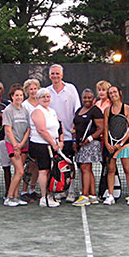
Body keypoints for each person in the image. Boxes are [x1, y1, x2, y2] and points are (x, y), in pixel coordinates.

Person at [47, 64, 81, 203]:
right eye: (53, 74)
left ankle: (71, 191)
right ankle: (59, 190)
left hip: (69, 136)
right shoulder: (47, 91)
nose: (55, 76)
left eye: (57, 73)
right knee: (55, 165)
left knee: (70, 164)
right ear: (49, 76)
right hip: (53, 138)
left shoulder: (71, 89)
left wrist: (74, 131)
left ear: (62, 75)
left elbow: (77, 110)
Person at [29, 88, 63, 208]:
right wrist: (53, 144)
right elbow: (41, 130)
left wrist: (60, 141)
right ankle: (44, 198)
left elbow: (59, 127)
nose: (46, 99)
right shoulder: (37, 111)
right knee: (44, 170)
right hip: (40, 146)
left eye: (48, 96)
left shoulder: (52, 111)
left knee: (50, 170)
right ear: (38, 99)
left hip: (52, 145)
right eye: (43, 97)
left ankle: (49, 195)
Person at [103, 86, 129, 206]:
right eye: (110, 93)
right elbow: (106, 128)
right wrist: (107, 143)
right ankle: (110, 195)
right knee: (111, 170)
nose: (113, 95)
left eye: (114, 92)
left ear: (119, 93)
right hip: (111, 145)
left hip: (125, 145)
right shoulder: (107, 110)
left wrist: (121, 144)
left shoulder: (127, 108)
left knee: (128, 170)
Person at [72, 89, 104, 206]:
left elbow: (101, 128)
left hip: (91, 144)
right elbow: (74, 127)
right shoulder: (78, 111)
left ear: (93, 99)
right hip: (80, 144)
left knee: (85, 168)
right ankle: (93, 195)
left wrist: (89, 139)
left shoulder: (96, 111)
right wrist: (75, 141)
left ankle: (84, 196)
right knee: (87, 169)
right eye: (85, 97)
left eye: (89, 97)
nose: (87, 100)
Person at [3, 84, 30, 207]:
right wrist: (16, 146)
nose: (19, 97)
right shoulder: (8, 110)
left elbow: (28, 129)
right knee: (20, 171)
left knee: (18, 172)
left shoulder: (25, 110)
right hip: (12, 144)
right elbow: (8, 130)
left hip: (23, 144)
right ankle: (8, 197)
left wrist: (22, 143)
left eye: (21, 95)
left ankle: (15, 196)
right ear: (12, 96)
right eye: (16, 95)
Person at [20, 78, 41, 202]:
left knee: (37, 165)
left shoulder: (41, 103)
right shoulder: (24, 105)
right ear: (26, 91)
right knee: (27, 166)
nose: (33, 91)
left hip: (40, 139)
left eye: (35, 89)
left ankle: (33, 190)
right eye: (30, 89)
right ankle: (24, 191)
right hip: (27, 139)